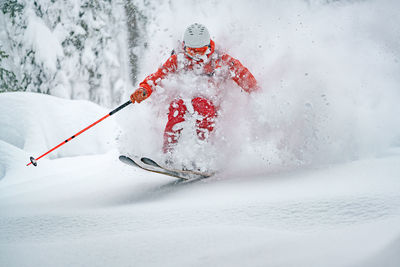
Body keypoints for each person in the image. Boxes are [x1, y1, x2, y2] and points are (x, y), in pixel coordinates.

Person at [130, 23, 258, 154]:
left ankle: (204, 152)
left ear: (208, 46)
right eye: (192, 51)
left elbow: (241, 74)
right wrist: (144, 89)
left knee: (202, 105)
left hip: (211, 103)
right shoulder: (179, 59)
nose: (196, 56)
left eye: (200, 50)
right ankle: (169, 152)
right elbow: (157, 77)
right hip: (185, 98)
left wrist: (256, 92)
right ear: (185, 47)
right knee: (176, 107)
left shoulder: (219, 59)